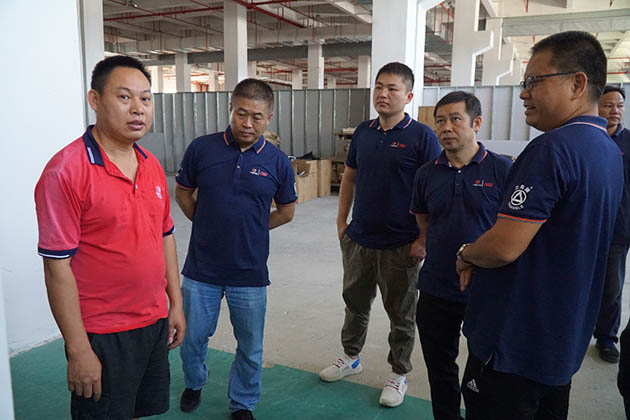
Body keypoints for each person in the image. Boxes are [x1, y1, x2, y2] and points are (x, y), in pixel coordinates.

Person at [455, 31, 623, 420]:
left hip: (516, 344)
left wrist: (466, 254)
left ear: (577, 83)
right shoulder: (607, 151)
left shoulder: (552, 149)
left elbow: (503, 247)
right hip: (561, 340)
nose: (523, 94)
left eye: (534, 81)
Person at [34, 55, 186, 420]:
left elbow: (165, 237)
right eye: (124, 97)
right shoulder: (66, 171)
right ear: (95, 100)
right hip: (102, 332)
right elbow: (57, 268)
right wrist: (78, 350)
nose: (138, 109)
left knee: (137, 411)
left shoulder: (151, 165)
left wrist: (175, 304)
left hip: (152, 322)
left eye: (146, 99)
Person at [319, 62, 440, 407]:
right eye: (379, 87)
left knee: (401, 314)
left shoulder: (422, 137)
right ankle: (351, 357)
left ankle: (398, 373)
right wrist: (341, 222)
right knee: (355, 305)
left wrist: (424, 239)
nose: (383, 94)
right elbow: (350, 176)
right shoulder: (363, 132)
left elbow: (435, 190)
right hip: (359, 239)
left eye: (392, 88)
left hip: (402, 244)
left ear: (409, 96)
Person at [175, 78, 296, 420]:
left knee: (251, 347)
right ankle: (195, 382)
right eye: (241, 113)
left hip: (250, 272)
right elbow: (183, 193)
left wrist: (253, 229)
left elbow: (286, 211)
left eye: (257, 117)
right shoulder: (202, 149)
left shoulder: (277, 161)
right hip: (202, 268)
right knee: (192, 338)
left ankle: (242, 403)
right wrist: (205, 223)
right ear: (230, 108)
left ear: (269, 118)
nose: (247, 123)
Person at [410, 91, 512, 420]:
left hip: (486, 288)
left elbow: (511, 228)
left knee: (484, 371)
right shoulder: (426, 173)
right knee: (440, 368)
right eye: (440, 121)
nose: (446, 127)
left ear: (476, 123)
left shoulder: (502, 170)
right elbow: (423, 219)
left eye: (455, 119)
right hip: (436, 286)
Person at [594, 85, 630, 363]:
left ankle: (606, 337)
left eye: (619, 106)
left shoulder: (628, 143)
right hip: (583, 228)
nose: (615, 111)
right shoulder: (586, 139)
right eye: (608, 105)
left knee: (611, 289)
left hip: (617, 229)